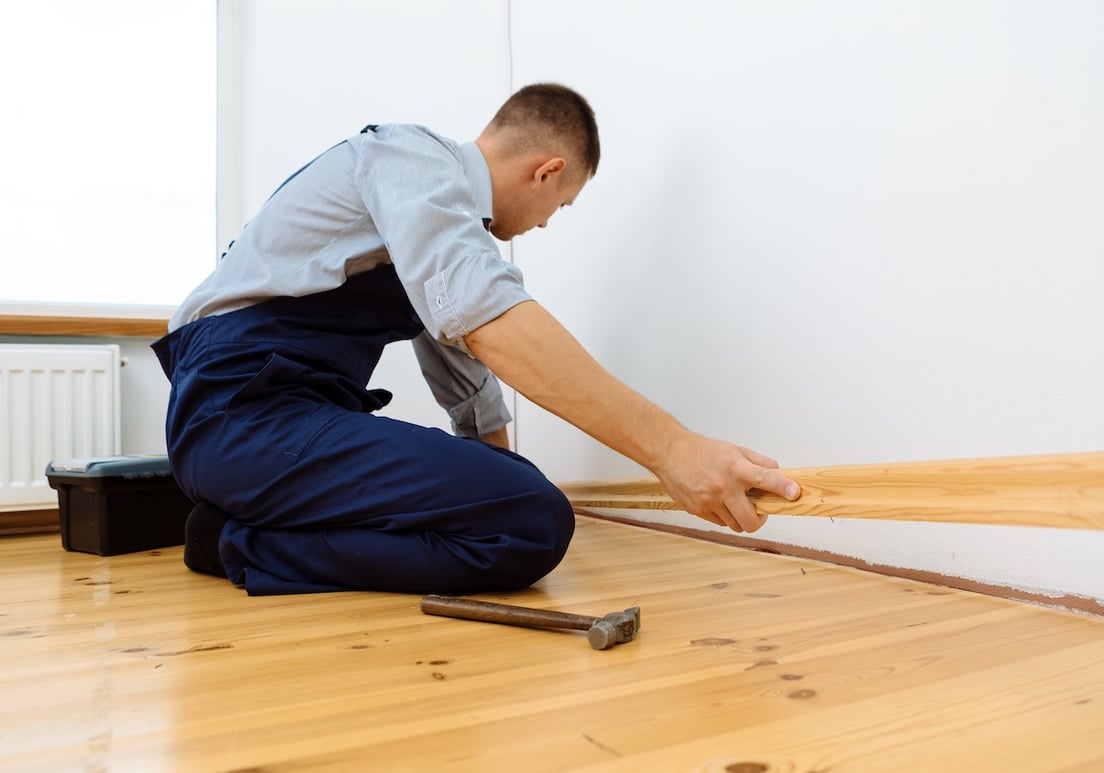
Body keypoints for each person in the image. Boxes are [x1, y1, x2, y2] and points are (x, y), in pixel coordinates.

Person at [152, 83, 800, 596]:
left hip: (276, 420)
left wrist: (503, 471)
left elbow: (467, 385)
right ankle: (238, 543)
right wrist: (671, 449)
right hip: (238, 415)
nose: (544, 225)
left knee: (522, 504)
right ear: (548, 172)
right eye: (560, 206)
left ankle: (244, 521)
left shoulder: (427, 225)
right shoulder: (408, 158)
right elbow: (485, 316)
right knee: (533, 519)